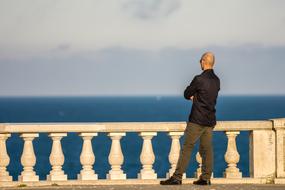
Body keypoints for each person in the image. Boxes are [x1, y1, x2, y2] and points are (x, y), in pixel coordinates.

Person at [160, 52, 220, 186]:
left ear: (204, 62)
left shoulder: (199, 79)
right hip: (210, 120)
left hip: (197, 119)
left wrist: (194, 97)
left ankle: (177, 177)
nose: (200, 63)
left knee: (187, 147)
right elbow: (209, 97)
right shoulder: (217, 80)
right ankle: (206, 178)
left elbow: (187, 93)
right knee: (207, 149)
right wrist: (198, 97)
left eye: (200, 61)